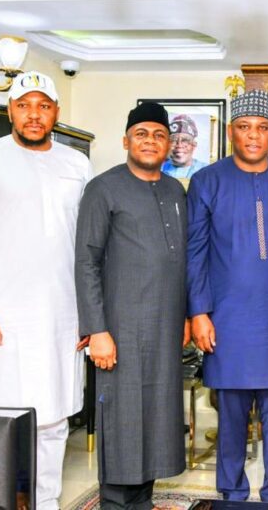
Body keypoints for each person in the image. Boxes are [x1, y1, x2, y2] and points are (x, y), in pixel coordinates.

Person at [0, 70, 92, 509]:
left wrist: (90, 314)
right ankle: (1, 498)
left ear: (56, 112)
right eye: (24, 105)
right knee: (5, 415)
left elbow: (88, 243)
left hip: (62, 311)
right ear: (10, 110)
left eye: (43, 106)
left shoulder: (77, 164)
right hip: (4, 314)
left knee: (53, 417)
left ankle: (46, 501)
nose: (34, 115)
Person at [187, 89, 268, 502]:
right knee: (232, 421)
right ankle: (231, 495)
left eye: (261, 128)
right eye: (244, 128)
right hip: (226, 322)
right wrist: (199, 312)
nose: (253, 136)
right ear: (231, 133)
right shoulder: (207, 180)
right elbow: (195, 251)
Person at [75, 102, 187, 509]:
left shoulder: (175, 191)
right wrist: (97, 330)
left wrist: (189, 315)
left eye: (159, 135)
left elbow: (182, 259)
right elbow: (86, 259)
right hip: (119, 331)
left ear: (169, 144)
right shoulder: (103, 189)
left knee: (154, 425)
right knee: (122, 427)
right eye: (142, 134)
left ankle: (142, 503)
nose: (151, 141)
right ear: (126, 140)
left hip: (163, 329)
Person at [161, 113, 207, 182]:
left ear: (194, 145)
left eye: (185, 140)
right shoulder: (158, 169)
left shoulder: (206, 170)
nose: (179, 145)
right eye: (173, 140)